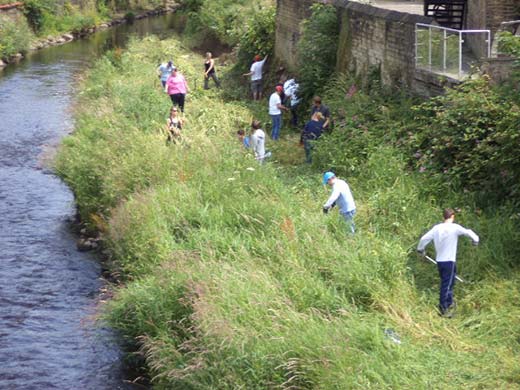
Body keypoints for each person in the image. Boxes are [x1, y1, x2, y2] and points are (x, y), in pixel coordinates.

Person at [417, 208, 479, 317]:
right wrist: (475, 240)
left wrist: (421, 249)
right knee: (446, 285)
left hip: (440, 261)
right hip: (449, 261)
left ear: (443, 217)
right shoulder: (454, 227)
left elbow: (424, 238)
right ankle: (443, 309)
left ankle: (449, 302)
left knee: (450, 282)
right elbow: (468, 232)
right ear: (453, 216)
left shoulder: (437, 228)